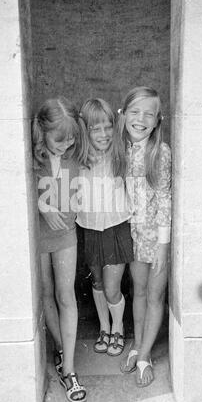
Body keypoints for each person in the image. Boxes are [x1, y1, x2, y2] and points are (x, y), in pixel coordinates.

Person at [32, 97, 86, 402]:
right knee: (46, 293)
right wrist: (41, 204)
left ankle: (69, 369)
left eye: (70, 139)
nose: (65, 145)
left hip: (66, 233)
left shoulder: (73, 158)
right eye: (58, 139)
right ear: (43, 132)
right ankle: (61, 347)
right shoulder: (34, 159)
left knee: (66, 295)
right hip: (39, 235)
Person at [118, 86, 171, 387]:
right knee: (137, 292)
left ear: (157, 119)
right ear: (123, 115)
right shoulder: (120, 150)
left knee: (154, 295)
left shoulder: (159, 152)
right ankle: (138, 343)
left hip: (156, 239)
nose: (141, 119)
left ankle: (145, 355)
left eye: (148, 114)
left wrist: (163, 246)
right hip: (133, 236)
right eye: (135, 112)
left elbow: (164, 199)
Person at [76, 98, 134, 357]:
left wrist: (117, 121)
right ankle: (104, 328)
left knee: (112, 288)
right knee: (97, 282)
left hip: (116, 226)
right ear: (84, 131)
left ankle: (118, 327)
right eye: (95, 128)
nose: (103, 134)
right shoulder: (79, 157)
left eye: (107, 126)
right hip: (89, 227)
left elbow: (125, 122)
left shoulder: (119, 152)